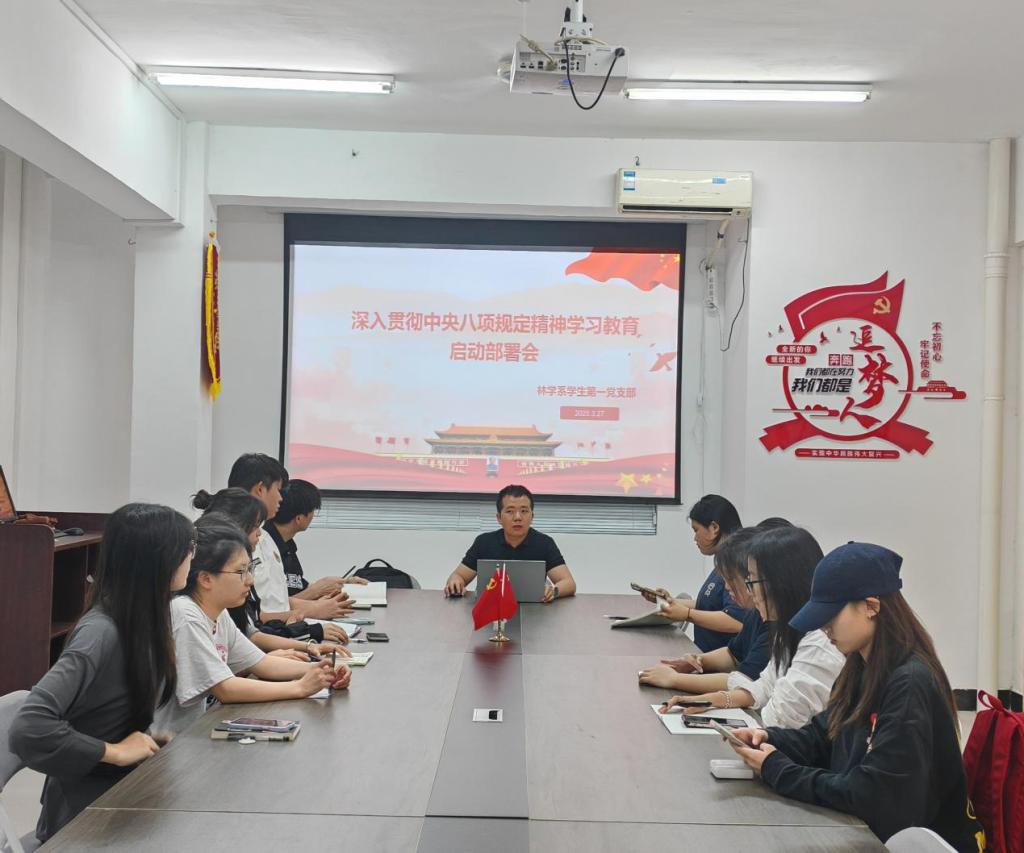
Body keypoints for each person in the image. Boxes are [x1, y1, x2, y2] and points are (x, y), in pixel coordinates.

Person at [727, 543, 986, 851]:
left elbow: (873, 794)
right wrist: (770, 738)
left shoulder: (909, 683)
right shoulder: (861, 666)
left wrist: (777, 769)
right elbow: (825, 737)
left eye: (831, 615)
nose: (824, 627)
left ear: (871, 607)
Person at [9, 503, 194, 843]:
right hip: (86, 819)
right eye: (187, 548)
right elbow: (29, 727)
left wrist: (145, 739)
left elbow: (106, 714)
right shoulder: (101, 632)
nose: (192, 556)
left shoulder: (144, 619)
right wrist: (115, 751)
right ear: (158, 558)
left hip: (122, 794)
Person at [152, 520, 351, 735]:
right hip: (169, 744)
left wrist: (322, 670)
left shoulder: (218, 613)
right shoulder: (185, 614)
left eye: (250, 569)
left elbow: (262, 663)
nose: (250, 580)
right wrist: (300, 687)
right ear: (206, 578)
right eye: (241, 571)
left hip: (195, 732)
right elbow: (225, 689)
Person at [658, 526, 845, 729]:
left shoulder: (818, 646)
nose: (750, 592)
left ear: (781, 583)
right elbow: (762, 687)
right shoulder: (787, 631)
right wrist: (711, 700)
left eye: (752, 581)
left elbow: (778, 723)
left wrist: (677, 681)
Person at [226, 453, 351, 621]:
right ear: (260, 490)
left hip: (280, 628)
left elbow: (278, 602)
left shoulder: (265, 537)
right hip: (268, 632)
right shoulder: (233, 541)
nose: (281, 498)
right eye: (278, 491)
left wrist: (316, 606)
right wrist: (312, 610)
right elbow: (252, 618)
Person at [642, 527, 768, 693]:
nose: (727, 587)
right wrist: (698, 660)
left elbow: (743, 681)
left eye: (731, 579)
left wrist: (674, 679)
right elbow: (732, 654)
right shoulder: (755, 614)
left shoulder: (775, 627)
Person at [642, 494, 746, 651]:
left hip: (718, 660)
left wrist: (687, 614)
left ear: (714, 528)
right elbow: (709, 604)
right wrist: (669, 601)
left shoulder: (737, 562)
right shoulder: (724, 559)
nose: (695, 538)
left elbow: (735, 620)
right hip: (702, 655)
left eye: (696, 530)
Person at [444, 484, 575, 602]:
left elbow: (569, 583)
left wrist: (554, 590)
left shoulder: (544, 543)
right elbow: (459, 575)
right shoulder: (484, 542)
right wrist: (455, 582)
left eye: (524, 511)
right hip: (491, 609)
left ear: (532, 516)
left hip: (535, 611)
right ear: (499, 518)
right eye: (510, 511)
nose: (518, 517)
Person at [265, 478, 368, 599]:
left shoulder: (287, 544)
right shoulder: (264, 545)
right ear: (299, 518)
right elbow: (272, 605)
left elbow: (297, 588)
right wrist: (316, 591)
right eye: (313, 511)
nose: (313, 515)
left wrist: (344, 584)